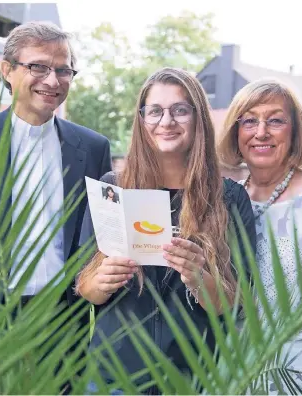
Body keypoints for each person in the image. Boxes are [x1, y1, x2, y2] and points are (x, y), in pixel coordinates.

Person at [76, 67, 256, 394]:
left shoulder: (229, 197)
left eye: (180, 110)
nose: (166, 121)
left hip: (195, 378)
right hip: (115, 377)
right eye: (155, 111)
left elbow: (235, 304)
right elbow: (85, 286)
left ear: (198, 117)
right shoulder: (112, 189)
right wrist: (101, 281)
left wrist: (201, 277)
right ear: (141, 119)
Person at [0, 20, 112, 390]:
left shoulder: (94, 148)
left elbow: (101, 234)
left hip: (64, 318)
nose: (52, 80)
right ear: (7, 70)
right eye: (38, 66)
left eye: (63, 69)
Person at [217, 78, 302, 394]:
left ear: (295, 132)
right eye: (249, 120)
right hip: (232, 373)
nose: (261, 131)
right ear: (236, 134)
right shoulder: (221, 201)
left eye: (275, 120)